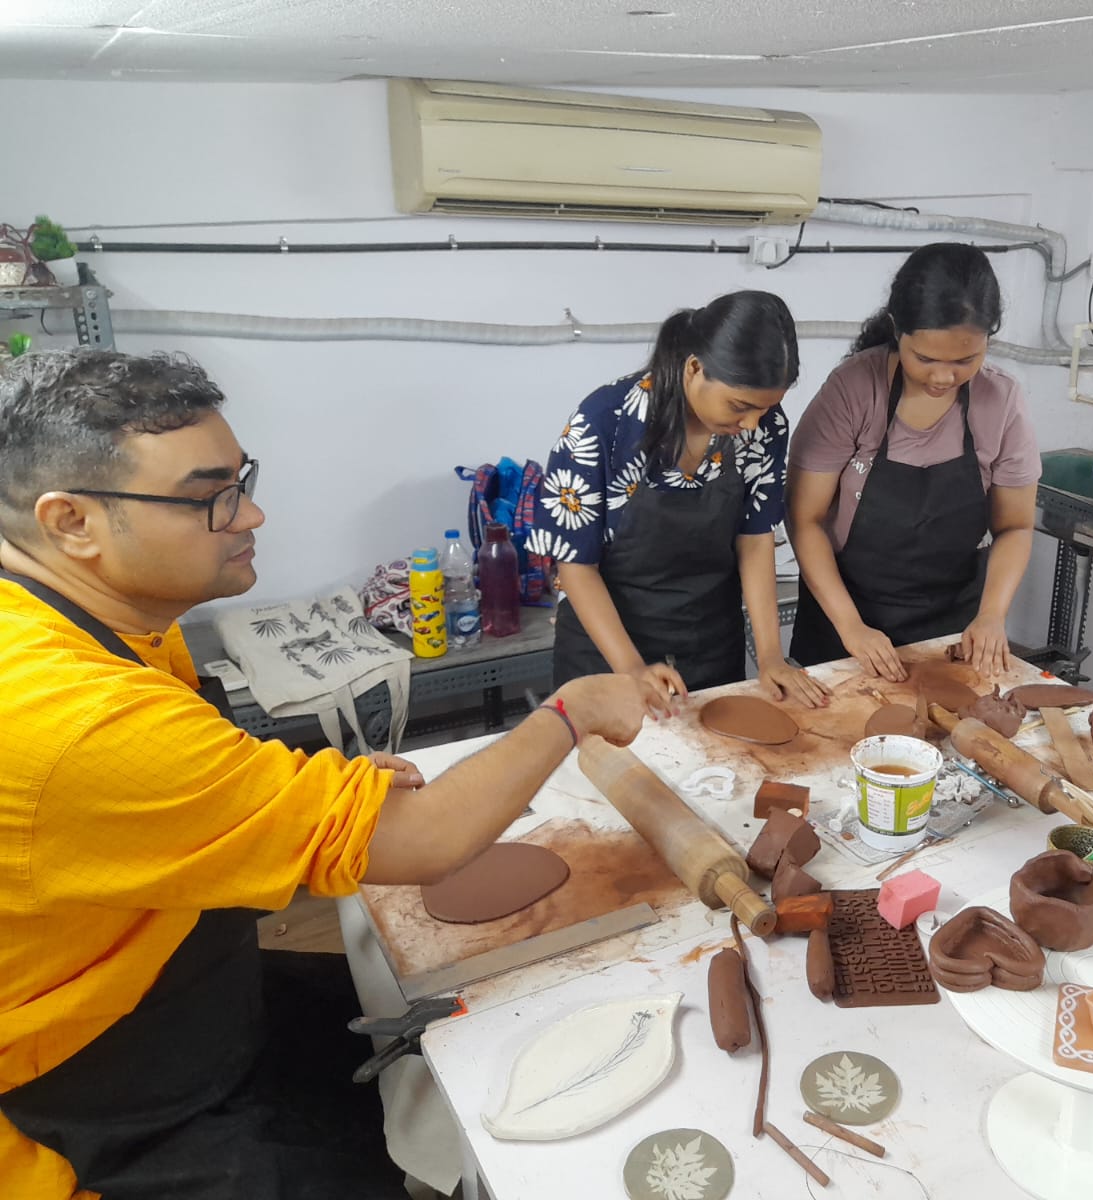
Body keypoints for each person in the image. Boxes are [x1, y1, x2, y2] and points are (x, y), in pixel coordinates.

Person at [0, 350, 649, 1200]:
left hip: (180, 978)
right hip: (88, 1091)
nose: (252, 513)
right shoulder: (73, 715)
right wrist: (568, 712)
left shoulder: (83, 620)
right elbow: (425, 842)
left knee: (413, 1046)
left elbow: (156, 787)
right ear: (71, 521)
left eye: (243, 481)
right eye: (211, 497)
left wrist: (299, 780)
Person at [531, 290, 827, 711]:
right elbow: (576, 565)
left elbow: (755, 538)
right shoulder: (605, 423)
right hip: (607, 655)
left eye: (765, 409)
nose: (751, 424)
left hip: (708, 647)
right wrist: (632, 669)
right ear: (694, 368)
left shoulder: (765, 428)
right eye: (740, 406)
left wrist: (770, 657)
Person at [785, 243, 1041, 680]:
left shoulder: (1000, 399)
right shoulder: (854, 390)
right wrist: (851, 627)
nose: (944, 377)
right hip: (846, 619)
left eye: (965, 360)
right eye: (924, 358)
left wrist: (993, 616)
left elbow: (1015, 526)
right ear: (897, 330)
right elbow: (804, 518)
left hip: (952, 629)